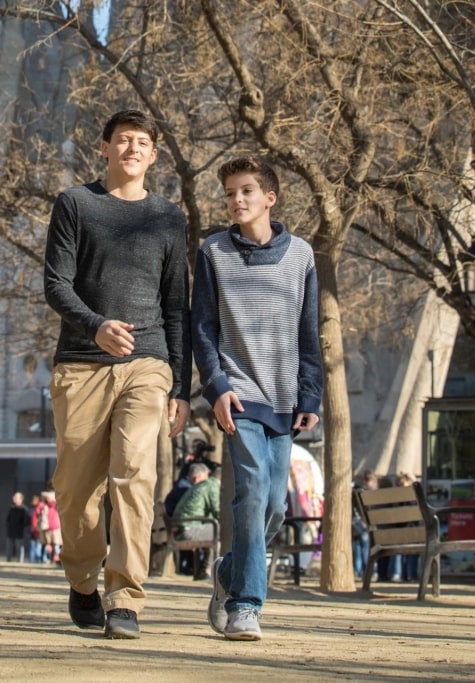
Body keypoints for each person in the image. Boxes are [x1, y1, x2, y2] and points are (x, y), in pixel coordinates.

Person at [44, 109, 191, 640]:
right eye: (123, 140)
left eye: (142, 142)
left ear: (153, 155)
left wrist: (182, 387)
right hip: (81, 365)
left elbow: (177, 305)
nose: (132, 148)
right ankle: (82, 580)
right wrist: (96, 324)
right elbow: (56, 284)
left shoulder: (168, 217)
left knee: (135, 477)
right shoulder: (76, 204)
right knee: (76, 492)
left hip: (147, 364)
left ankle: (126, 597)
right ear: (104, 147)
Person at [193, 156, 323, 641]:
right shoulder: (213, 252)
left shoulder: (301, 256)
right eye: (229, 193)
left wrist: (311, 393)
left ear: (270, 197)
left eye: (246, 191)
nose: (236, 200)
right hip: (239, 394)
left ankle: (229, 571)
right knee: (249, 494)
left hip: (286, 397)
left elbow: (308, 332)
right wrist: (217, 387)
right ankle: (247, 604)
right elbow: (203, 330)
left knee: (274, 507)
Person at [171, 462, 221, 580]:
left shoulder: (202, 485)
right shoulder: (211, 486)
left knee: (215, 529)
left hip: (182, 528)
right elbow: (218, 512)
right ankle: (208, 571)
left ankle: (202, 570)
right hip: (187, 530)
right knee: (221, 532)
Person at [5, 492, 30, 562]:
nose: (14, 498)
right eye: (14, 497)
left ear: (21, 499)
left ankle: (20, 561)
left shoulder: (24, 510)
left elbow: (27, 522)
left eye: (16, 497)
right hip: (11, 531)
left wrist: (23, 529)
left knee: (19, 547)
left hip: (19, 532)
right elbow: (8, 519)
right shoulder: (12, 509)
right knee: (9, 547)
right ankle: (8, 560)